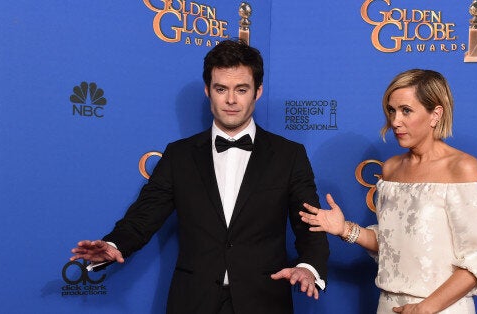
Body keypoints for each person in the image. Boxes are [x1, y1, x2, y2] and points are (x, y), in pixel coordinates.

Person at [70, 39, 329, 314]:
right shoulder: (178, 156)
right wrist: (113, 244)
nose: (231, 100)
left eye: (241, 89)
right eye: (221, 89)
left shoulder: (289, 155)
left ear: (258, 91)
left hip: (264, 301)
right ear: (208, 91)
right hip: (193, 301)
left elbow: (310, 224)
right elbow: (143, 217)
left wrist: (309, 266)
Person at [299, 69, 477, 314]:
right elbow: (392, 244)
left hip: (441, 308)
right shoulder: (392, 168)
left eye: (406, 110)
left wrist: (425, 308)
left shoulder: (463, 168)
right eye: (392, 110)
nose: (395, 121)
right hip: (388, 305)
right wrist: (345, 230)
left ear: (435, 114)